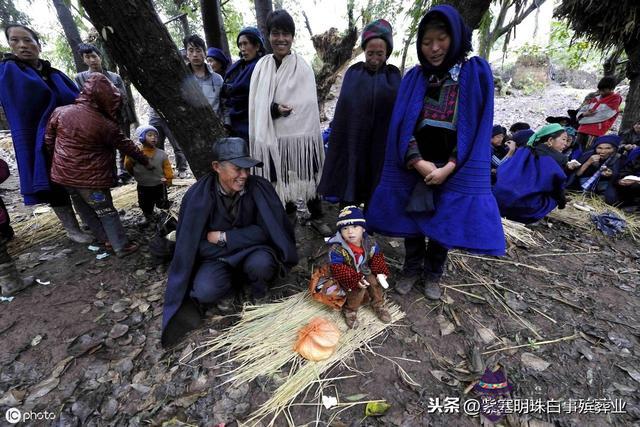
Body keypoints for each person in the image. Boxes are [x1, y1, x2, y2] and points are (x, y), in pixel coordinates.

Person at [366, 5, 505, 300]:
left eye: (441, 39)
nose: (434, 48)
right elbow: (403, 126)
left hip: (453, 163)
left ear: (455, 37)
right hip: (416, 162)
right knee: (413, 217)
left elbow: (474, 126)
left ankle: (433, 273)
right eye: (427, 42)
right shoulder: (415, 78)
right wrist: (417, 161)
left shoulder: (474, 73)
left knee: (444, 219)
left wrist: (450, 166)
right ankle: (411, 267)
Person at [161, 137, 298, 347]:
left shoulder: (259, 188)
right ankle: (230, 289)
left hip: (254, 252)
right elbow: (194, 245)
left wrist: (224, 238)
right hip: (217, 259)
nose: (244, 175)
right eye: (237, 169)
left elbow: (267, 231)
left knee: (261, 264)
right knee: (205, 291)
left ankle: (257, 289)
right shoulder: (198, 196)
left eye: (247, 169)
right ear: (217, 167)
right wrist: (238, 243)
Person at [0, 24, 92, 243]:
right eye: (15, 40)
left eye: (28, 40)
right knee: (52, 184)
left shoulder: (54, 74)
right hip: (35, 138)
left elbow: (75, 98)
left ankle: (90, 219)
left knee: (76, 179)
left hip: (66, 138)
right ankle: (72, 229)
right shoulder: (8, 71)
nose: (22, 45)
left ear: (38, 45)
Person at [44, 74, 150, 257]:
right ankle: (121, 246)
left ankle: (104, 239)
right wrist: (146, 160)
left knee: (84, 208)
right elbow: (127, 146)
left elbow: (48, 141)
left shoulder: (60, 112)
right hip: (91, 181)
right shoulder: (105, 125)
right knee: (106, 211)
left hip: (64, 177)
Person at [248, 10, 326, 225]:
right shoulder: (261, 67)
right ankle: (287, 212)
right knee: (278, 175)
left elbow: (309, 103)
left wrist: (291, 109)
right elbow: (256, 104)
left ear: (292, 37)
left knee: (308, 172)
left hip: (301, 133)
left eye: (286, 34)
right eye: (276, 33)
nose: (281, 39)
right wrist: (273, 109)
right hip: (272, 133)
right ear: (268, 36)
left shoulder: (302, 66)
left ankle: (316, 214)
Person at [318, 19, 401, 207]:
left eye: (380, 53)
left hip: (380, 144)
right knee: (351, 185)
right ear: (364, 50)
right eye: (370, 53)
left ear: (387, 52)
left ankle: (372, 221)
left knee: (375, 185)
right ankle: (348, 221)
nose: (374, 58)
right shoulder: (353, 74)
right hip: (353, 142)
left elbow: (398, 112)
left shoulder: (394, 77)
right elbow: (343, 111)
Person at [75, 43, 138, 184]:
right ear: (83, 59)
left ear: (100, 57)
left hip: (119, 117)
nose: (92, 60)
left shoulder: (114, 77)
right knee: (105, 148)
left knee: (123, 145)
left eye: (94, 56)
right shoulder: (80, 78)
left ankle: (125, 174)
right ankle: (110, 176)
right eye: (88, 57)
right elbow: (81, 99)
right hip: (97, 119)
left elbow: (123, 97)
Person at [493, 124, 579, 224]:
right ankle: (532, 217)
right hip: (520, 211)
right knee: (554, 198)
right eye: (563, 139)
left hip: (497, 202)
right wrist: (562, 202)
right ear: (550, 140)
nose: (565, 144)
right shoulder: (559, 159)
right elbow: (558, 187)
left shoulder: (523, 149)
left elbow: (502, 170)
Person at [327, 205, 391, 328]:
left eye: (355, 227)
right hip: (347, 274)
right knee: (357, 289)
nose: (350, 232)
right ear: (340, 231)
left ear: (362, 228)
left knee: (374, 282)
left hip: (364, 269)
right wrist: (355, 279)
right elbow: (337, 268)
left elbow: (376, 257)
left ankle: (378, 305)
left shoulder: (370, 242)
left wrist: (380, 272)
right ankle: (350, 310)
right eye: (345, 228)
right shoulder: (337, 248)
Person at [222, 27, 265, 142]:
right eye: (240, 45)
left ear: (257, 46)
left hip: (253, 125)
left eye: (246, 44)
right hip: (233, 123)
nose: (242, 48)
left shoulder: (263, 66)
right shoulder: (236, 67)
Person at [124, 125, 174, 226]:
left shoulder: (161, 154)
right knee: (145, 204)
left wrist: (169, 180)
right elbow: (128, 165)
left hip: (159, 185)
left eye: (155, 135)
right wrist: (136, 175)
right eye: (150, 135)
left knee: (162, 202)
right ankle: (148, 217)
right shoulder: (135, 154)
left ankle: (165, 218)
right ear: (142, 137)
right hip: (143, 186)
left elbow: (167, 167)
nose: (153, 137)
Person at [574, 76, 622, 154]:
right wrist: (584, 114)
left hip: (595, 130)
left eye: (603, 90)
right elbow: (583, 110)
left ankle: (583, 165)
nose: (601, 92)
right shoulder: (595, 97)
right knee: (576, 149)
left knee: (587, 151)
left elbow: (603, 115)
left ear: (611, 89)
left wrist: (582, 119)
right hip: (582, 128)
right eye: (600, 90)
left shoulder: (615, 98)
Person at [184, 34, 224, 116]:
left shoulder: (218, 79)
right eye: (191, 51)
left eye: (198, 50)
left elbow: (225, 104)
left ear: (205, 53)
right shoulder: (182, 78)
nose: (195, 54)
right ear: (187, 54)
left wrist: (227, 125)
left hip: (216, 126)